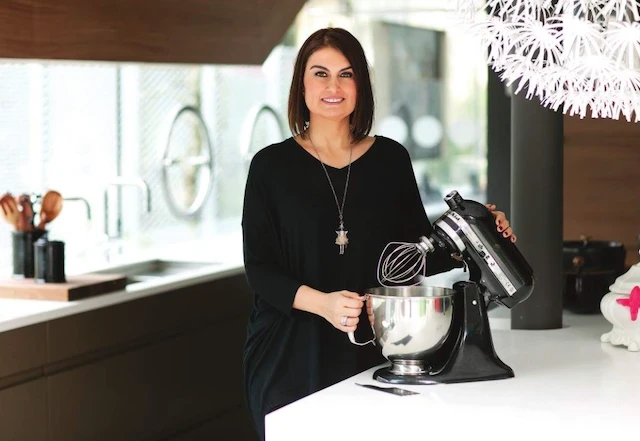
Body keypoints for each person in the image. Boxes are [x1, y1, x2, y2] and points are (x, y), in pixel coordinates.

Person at [241, 27, 516, 440]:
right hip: (288, 353)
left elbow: (417, 254)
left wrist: (478, 235)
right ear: (301, 84)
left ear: (361, 86)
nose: (333, 87)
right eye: (320, 74)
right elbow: (260, 270)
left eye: (346, 75)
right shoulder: (270, 166)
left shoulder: (390, 159)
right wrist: (325, 305)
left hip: (376, 348)